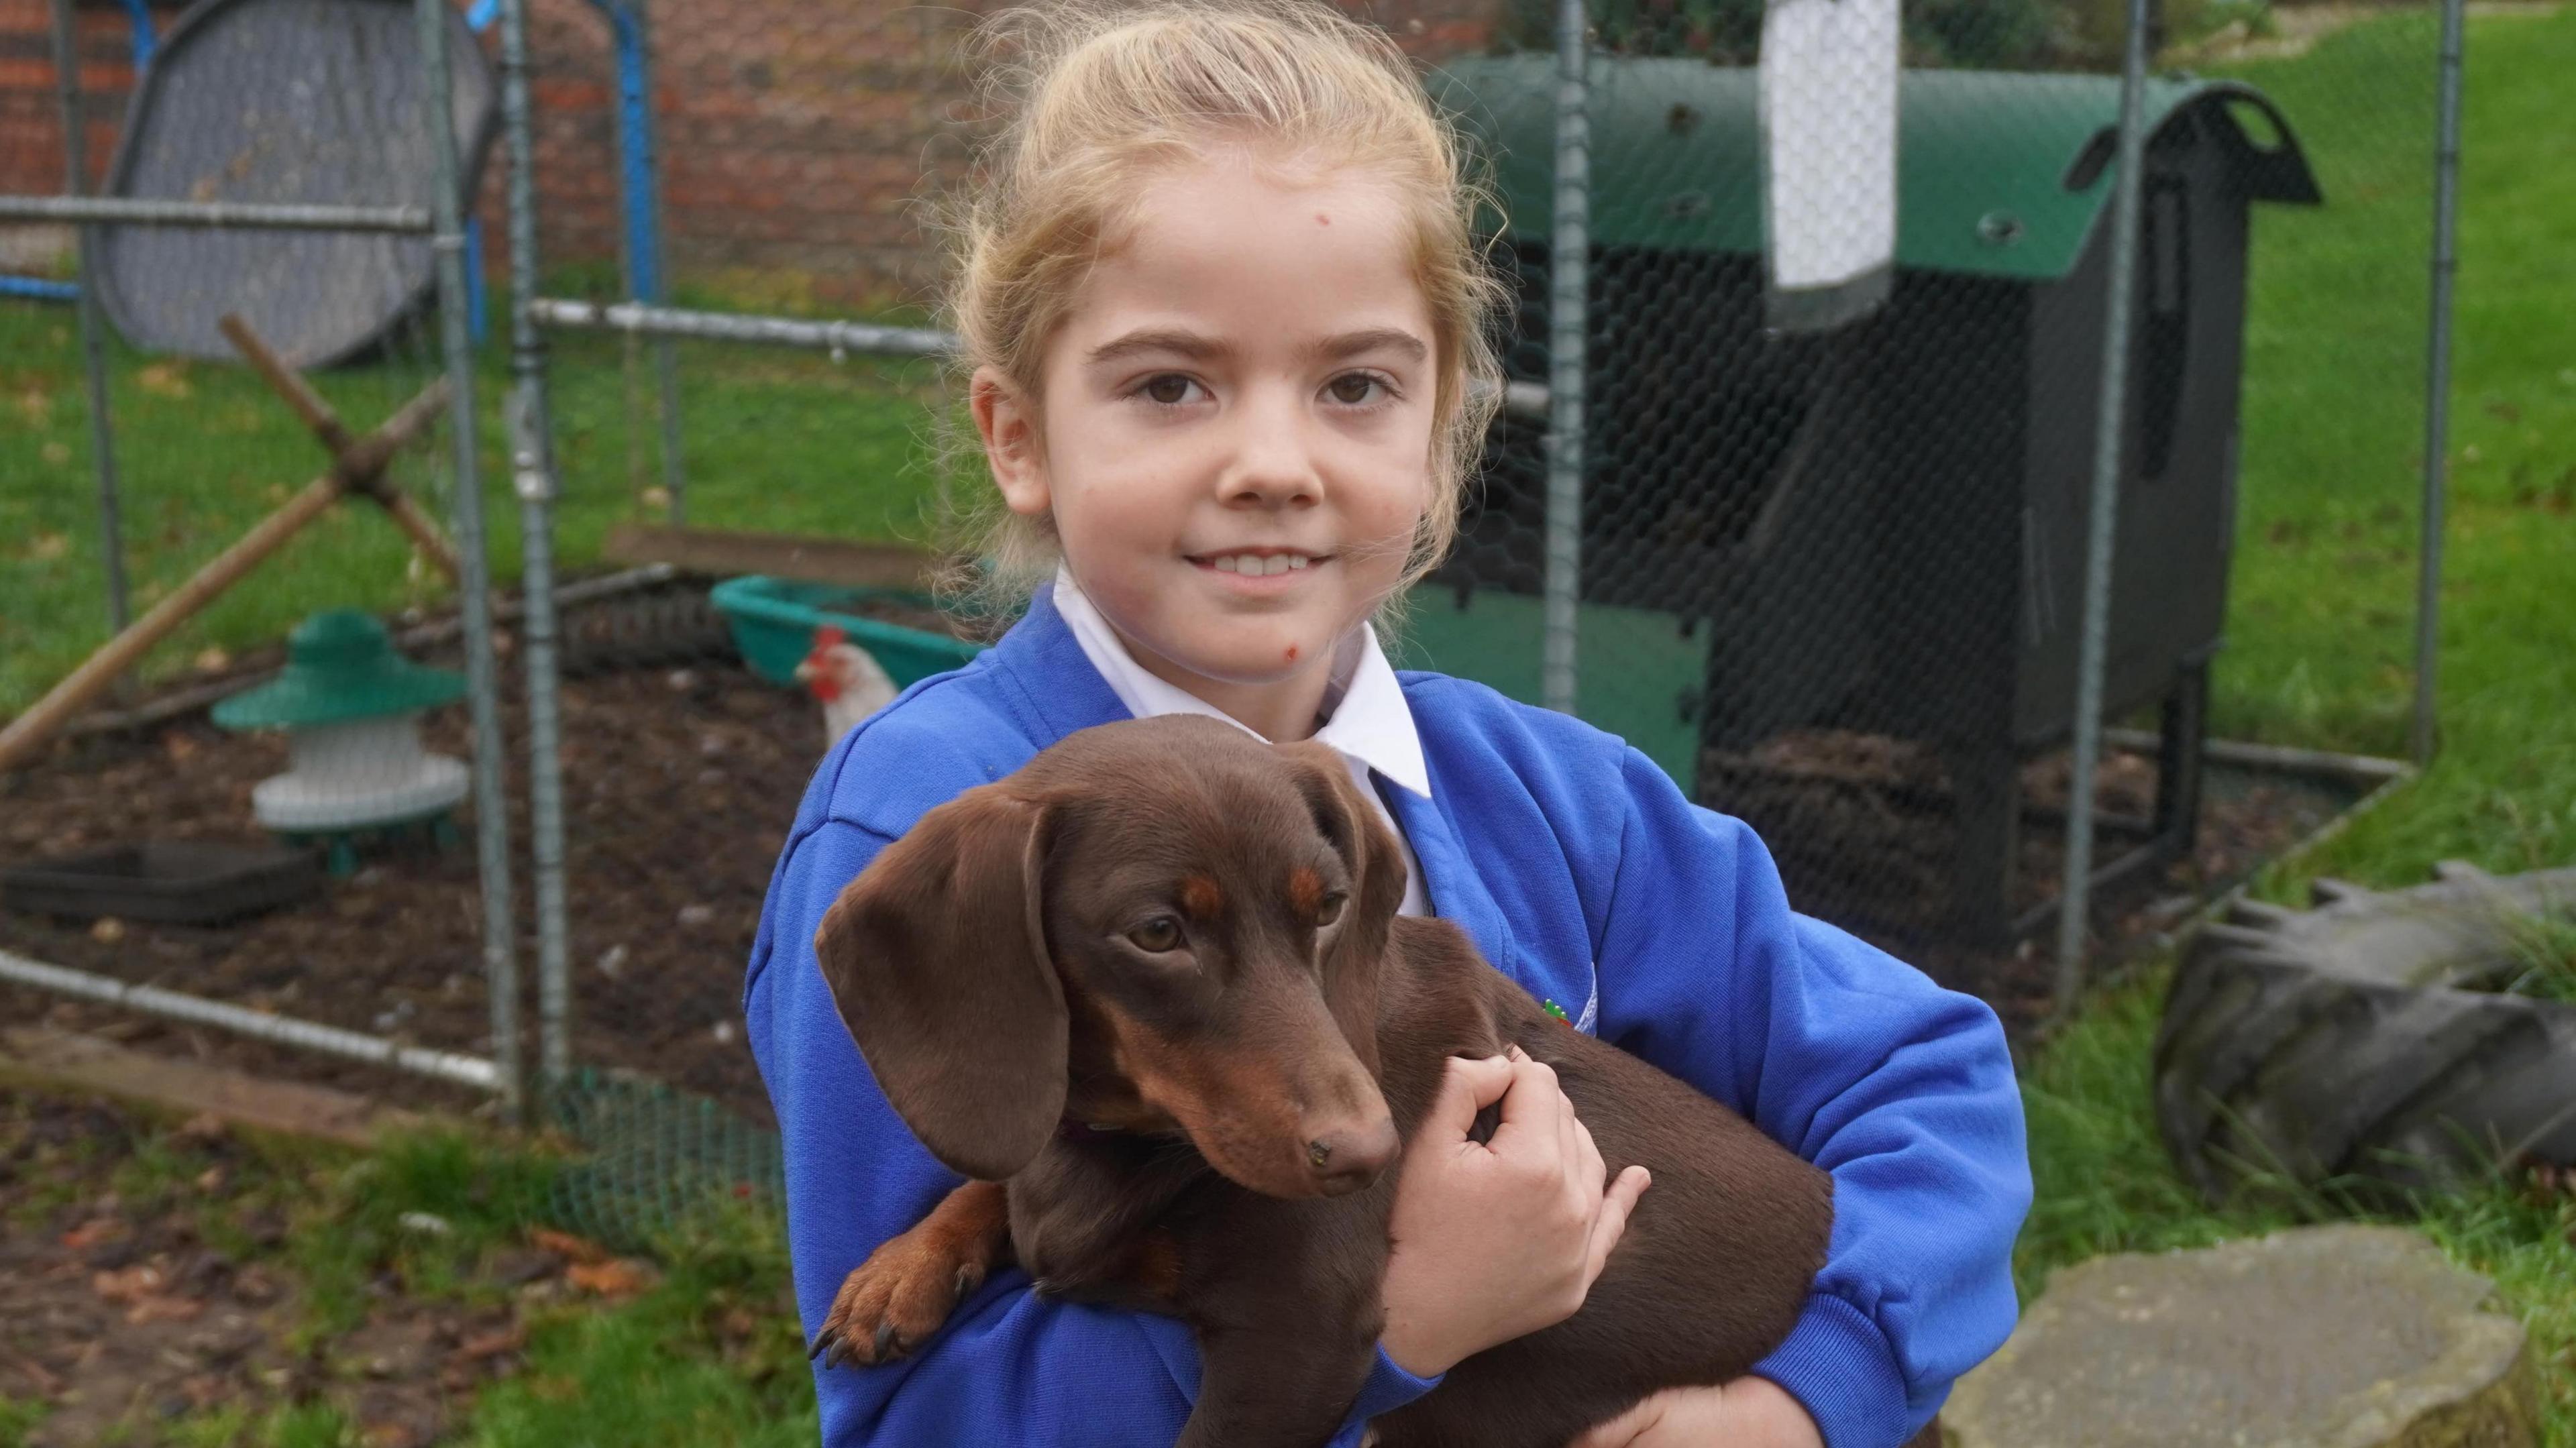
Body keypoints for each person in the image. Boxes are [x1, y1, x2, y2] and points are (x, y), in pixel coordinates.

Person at [743, 3, 2032, 1443]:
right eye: (1172, 385)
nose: (1273, 465)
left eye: (1354, 387)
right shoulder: (920, 831)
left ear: (1440, 435)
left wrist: (1812, 1396)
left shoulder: (1557, 799)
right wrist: (1398, 1326)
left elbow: (1932, 1081)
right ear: (1021, 435)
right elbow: (905, 1417)